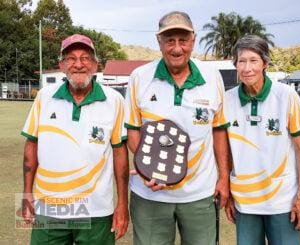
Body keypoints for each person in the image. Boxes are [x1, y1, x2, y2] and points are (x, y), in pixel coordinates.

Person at [124, 11, 231, 245]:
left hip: (200, 194)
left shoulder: (212, 77)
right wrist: (151, 170)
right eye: (169, 40)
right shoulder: (139, 77)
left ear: (193, 40)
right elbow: (132, 130)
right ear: (158, 42)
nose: (176, 48)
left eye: (183, 40)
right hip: (150, 194)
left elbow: (219, 131)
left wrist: (224, 177)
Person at [21, 34, 129, 244]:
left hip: (96, 210)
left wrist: (122, 203)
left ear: (96, 64)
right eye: (70, 58)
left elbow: (119, 152)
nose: (78, 64)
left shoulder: (114, 100)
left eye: (86, 58)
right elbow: (31, 145)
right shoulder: (44, 97)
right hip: (48, 208)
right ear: (61, 65)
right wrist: (27, 194)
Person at [224, 35, 300, 245]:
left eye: (253, 60)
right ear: (235, 65)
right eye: (241, 61)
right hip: (245, 202)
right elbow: (226, 150)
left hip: (283, 201)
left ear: (265, 63)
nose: (247, 68)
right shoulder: (227, 100)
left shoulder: (286, 95)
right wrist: (228, 192)